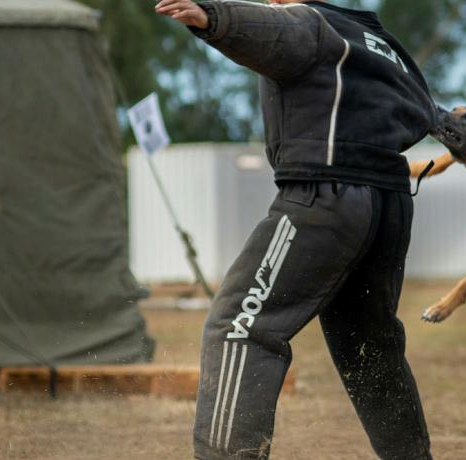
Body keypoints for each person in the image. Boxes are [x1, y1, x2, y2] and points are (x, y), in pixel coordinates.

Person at [154, 1, 438, 458]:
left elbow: (281, 32)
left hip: (325, 199)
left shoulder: (311, 23)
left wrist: (214, 16)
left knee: (240, 327)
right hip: (390, 204)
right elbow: (425, 111)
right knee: (369, 345)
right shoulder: (382, 42)